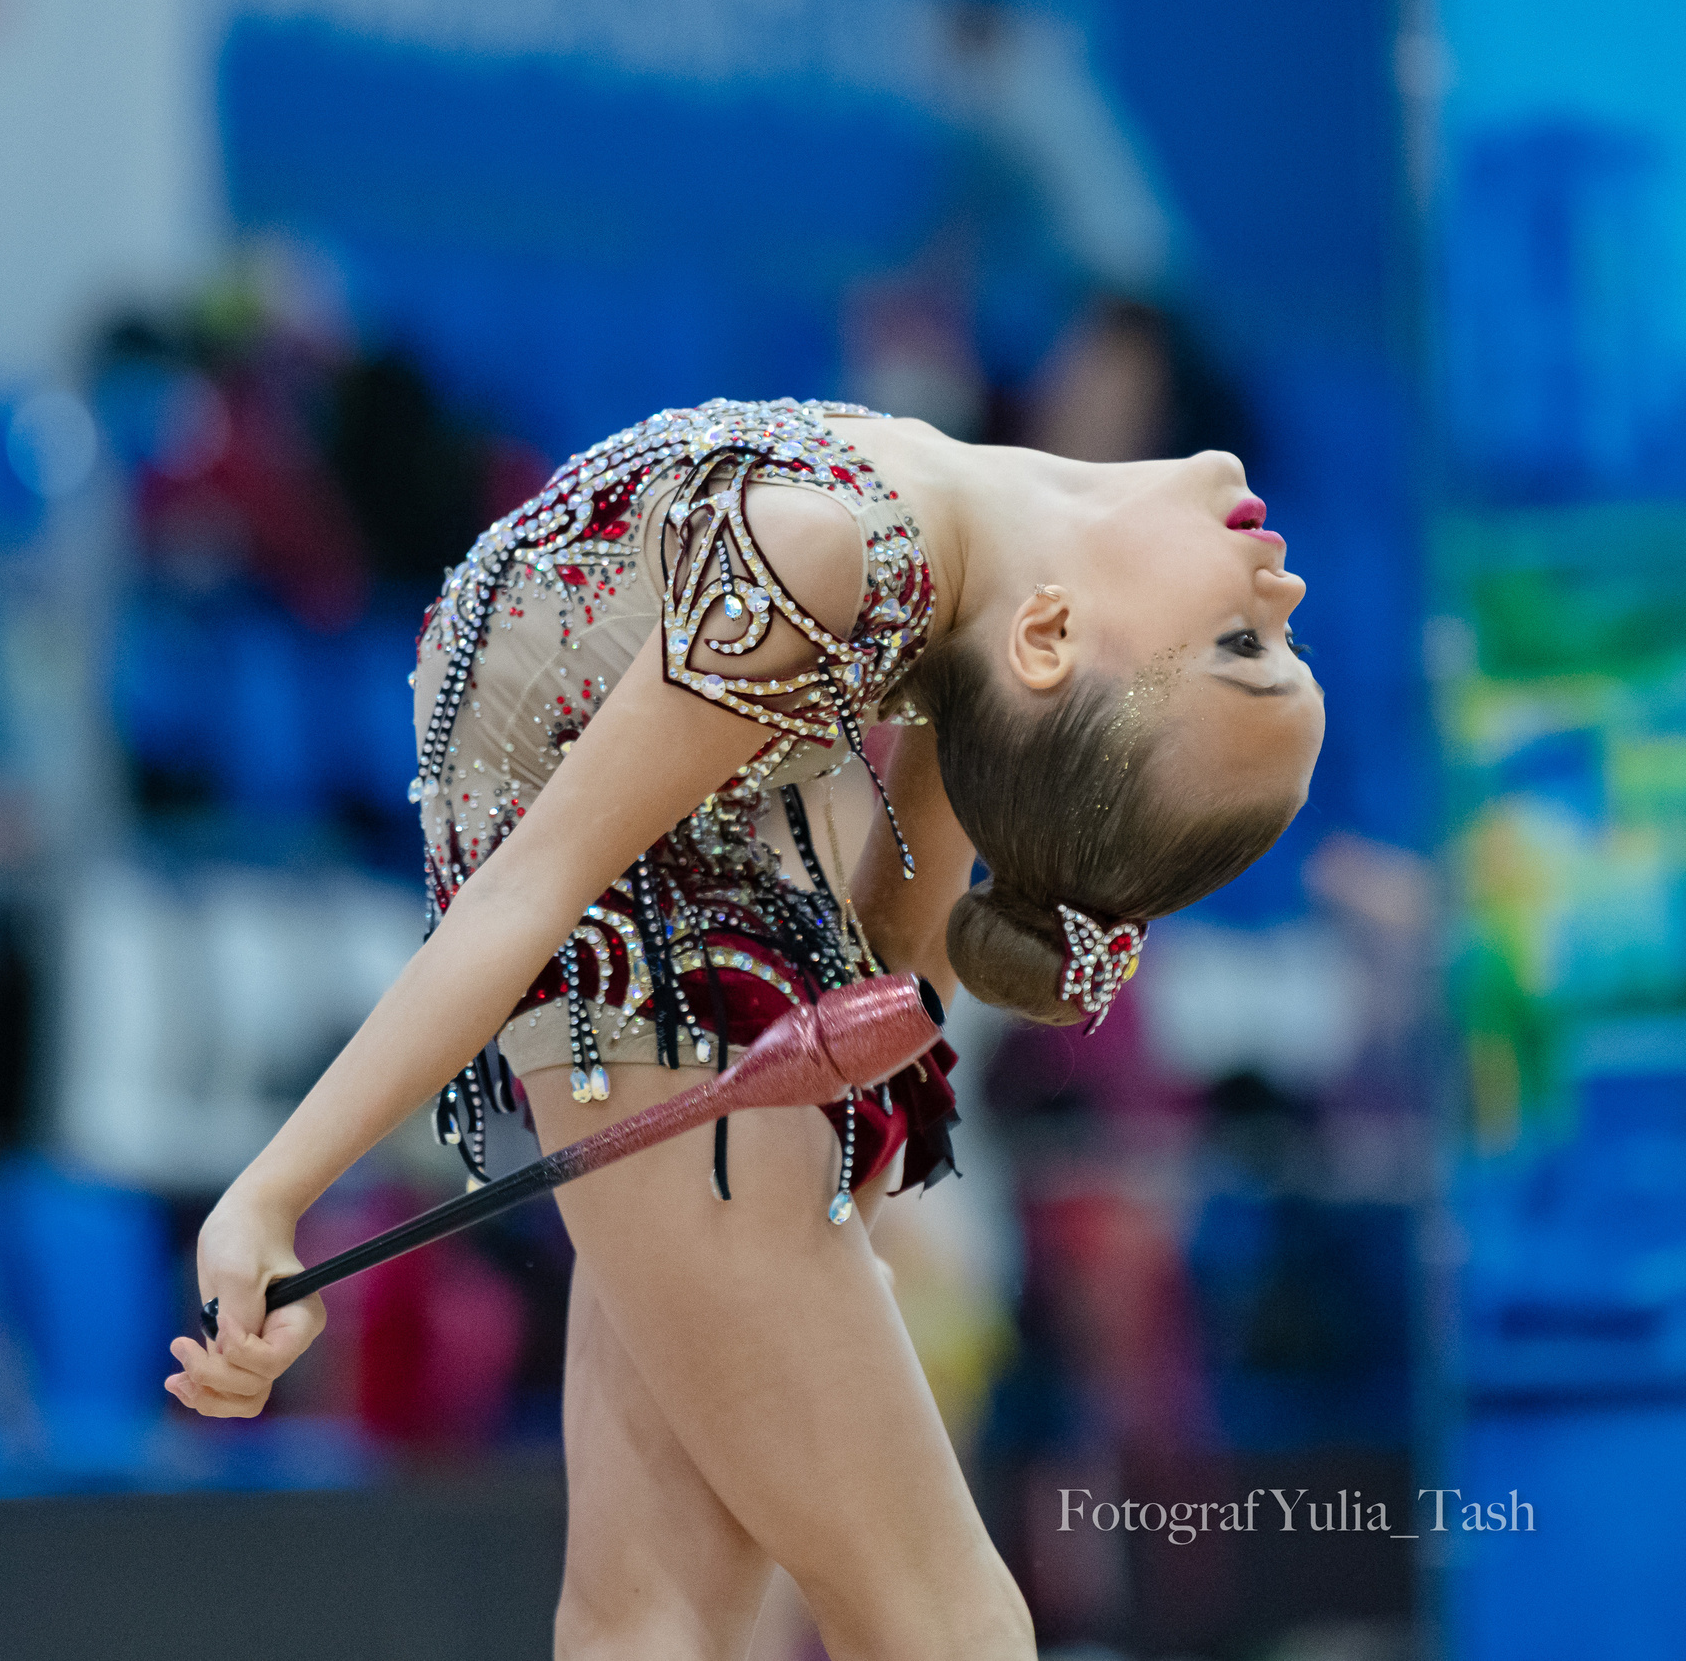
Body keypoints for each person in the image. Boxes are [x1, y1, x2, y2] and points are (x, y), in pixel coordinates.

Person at [168, 399, 1323, 1658]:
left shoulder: (906, 590)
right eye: (1273, 642)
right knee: (704, 1617)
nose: (1287, 580)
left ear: (1049, 640)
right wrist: (270, 1195)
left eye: (1241, 641)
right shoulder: (901, 563)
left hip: (655, 923)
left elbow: (854, 977)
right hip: (657, 883)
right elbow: (561, 891)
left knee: (845, 1622)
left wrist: (273, 1193)